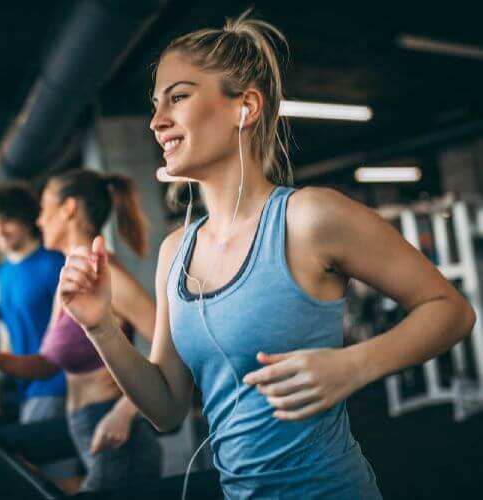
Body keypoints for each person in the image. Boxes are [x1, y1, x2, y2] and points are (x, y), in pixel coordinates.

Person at [55, 12, 475, 500]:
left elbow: (451, 310)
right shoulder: (176, 251)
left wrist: (356, 365)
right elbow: (168, 408)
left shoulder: (308, 218)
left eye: (179, 96)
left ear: (244, 107)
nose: (156, 121)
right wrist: (101, 328)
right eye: (155, 103)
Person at [0, 170, 161, 491]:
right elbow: (48, 364)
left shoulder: (103, 273)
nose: (38, 221)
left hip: (115, 432)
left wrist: (125, 411)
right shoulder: (69, 277)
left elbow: (173, 344)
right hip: (84, 427)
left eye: (43, 209)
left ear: (68, 209)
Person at [0, 182, 66, 425]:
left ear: (27, 219)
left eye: (7, 220)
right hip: (24, 385)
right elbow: (9, 333)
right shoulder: (3, 272)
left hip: (57, 385)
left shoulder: (55, 263)